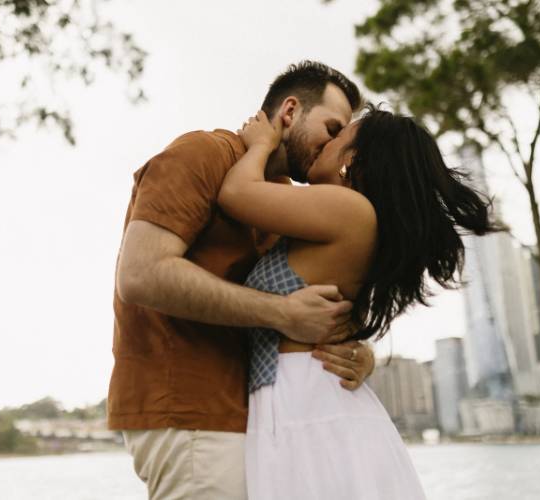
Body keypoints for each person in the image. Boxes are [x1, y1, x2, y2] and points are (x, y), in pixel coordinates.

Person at [109, 61, 377, 499]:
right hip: (190, 408)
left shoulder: (278, 200)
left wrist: (359, 352)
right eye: (332, 128)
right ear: (290, 111)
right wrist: (282, 314)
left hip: (252, 415)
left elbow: (311, 294)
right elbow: (141, 275)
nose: (336, 147)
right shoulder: (204, 154)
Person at [218, 105, 499, 499]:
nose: (326, 142)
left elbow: (235, 193)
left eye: (338, 137)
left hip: (305, 400)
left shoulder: (350, 211)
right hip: (304, 396)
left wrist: (260, 146)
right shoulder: (348, 219)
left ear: (352, 161)